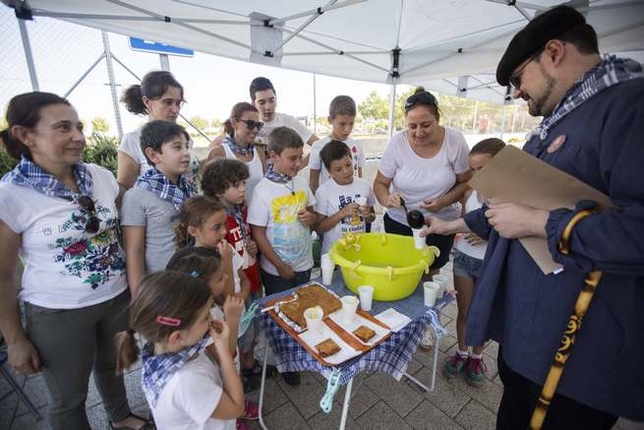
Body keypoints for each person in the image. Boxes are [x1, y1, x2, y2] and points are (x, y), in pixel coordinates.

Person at [426, 5, 644, 428]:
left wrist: (540, 223)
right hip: (528, 341)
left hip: (575, 356)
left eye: (517, 79)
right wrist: (451, 225)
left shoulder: (628, 107)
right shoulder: (562, 117)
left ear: (554, 52)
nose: (516, 93)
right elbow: (509, 206)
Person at [0, 92, 149, 430]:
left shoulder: (99, 176)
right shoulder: (10, 195)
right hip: (57, 312)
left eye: (79, 126)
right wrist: (15, 339)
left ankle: (121, 416)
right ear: (26, 136)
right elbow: (4, 275)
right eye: (63, 128)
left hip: (115, 299)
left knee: (115, 366)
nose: (79, 137)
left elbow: (126, 221)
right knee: (68, 397)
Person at [373, 86, 471, 350]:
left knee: (431, 271)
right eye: (411, 126)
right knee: (398, 271)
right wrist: (387, 199)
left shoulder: (455, 141)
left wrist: (443, 202)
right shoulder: (397, 142)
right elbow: (380, 184)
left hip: (439, 222)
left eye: (425, 125)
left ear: (438, 118)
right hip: (400, 219)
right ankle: (398, 321)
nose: (418, 133)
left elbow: (466, 183)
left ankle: (427, 323)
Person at [116, 271, 245, 430]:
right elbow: (237, 408)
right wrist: (224, 351)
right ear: (176, 337)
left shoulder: (158, 350)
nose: (211, 319)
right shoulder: (186, 381)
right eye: (205, 317)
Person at [427, 138, 506, 387]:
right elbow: (464, 221)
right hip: (462, 259)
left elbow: (509, 232)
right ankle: (461, 352)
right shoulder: (470, 193)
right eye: (473, 169)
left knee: (482, 314)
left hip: (488, 263)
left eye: (482, 168)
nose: (476, 174)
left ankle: (476, 356)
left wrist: (487, 235)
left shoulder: (507, 197)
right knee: (464, 311)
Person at [248, 126, 317, 387]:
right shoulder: (262, 190)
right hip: (277, 270)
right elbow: (258, 232)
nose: (298, 163)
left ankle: (300, 350)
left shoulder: (300, 182)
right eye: (292, 158)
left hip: (303, 263)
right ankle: (286, 359)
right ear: (273, 156)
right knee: (281, 316)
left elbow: (313, 214)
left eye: (301, 156)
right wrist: (279, 265)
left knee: (300, 310)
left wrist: (311, 218)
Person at [201, 159, 277, 389]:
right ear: (217, 190)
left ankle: (249, 361)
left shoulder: (240, 210)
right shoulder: (216, 221)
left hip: (250, 279)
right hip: (233, 290)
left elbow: (244, 240)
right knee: (239, 329)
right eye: (236, 184)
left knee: (253, 325)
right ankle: (239, 373)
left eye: (243, 182)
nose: (243, 188)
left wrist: (252, 244)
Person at [166, 247, 260, 429]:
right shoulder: (199, 322)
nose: (226, 278)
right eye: (220, 277)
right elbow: (229, 352)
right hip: (219, 387)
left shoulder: (201, 310)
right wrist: (232, 320)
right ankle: (235, 418)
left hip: (216, 381)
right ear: (201, 285)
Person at [121, 120, 197, 294]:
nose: (186, 153)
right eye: (177, 147)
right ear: (153, 155)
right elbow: (134, 251)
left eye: (187, 146)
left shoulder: (190, 189)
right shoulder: (137, 196)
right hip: (163, 289)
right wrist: (139, 297)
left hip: (195, 279)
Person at [118, 70, 200, 188]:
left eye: (178, 103)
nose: (175, 109)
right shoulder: (133, 140)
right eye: (168, 102)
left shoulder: (183, 138)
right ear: (147, 102)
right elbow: (124, 191)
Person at [314, 140, 376, 254]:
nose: (346, 171)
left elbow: (372, 216)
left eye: (348, 164)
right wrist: (342, 213)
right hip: (334, 254)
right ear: (329, 171)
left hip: (359, 251)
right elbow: (318, 228)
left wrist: (368, 215)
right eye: (338, 169)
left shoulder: (364, 185)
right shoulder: (323, 191)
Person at [249, 77, 319, 165]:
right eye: (262, 102)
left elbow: (318, 145)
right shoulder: (248, 125)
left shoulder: (288, 121)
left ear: (276, 100)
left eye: (271, 100)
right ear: (253, 104)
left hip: (286, 177)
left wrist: (299, 166)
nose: (268, 107)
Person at [206, 102, 267, 198]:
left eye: (258, 125)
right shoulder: (219, 153)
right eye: (250, 124)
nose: (255, 130)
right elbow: (210, 194)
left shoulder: (259, 152)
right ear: (234, 123)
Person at [308, 95, 366, 194]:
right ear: (330, 120)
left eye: (351, 123)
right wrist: (313, 209)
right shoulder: (318, 146)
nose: (347, 129)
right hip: (329, 204)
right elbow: (313, 183)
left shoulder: (357, 145)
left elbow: (359, 177)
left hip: (354, 201)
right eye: (342, 124)